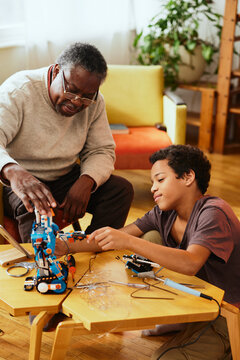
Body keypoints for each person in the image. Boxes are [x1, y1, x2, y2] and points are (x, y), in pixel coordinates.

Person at [57, 144, 239, 360]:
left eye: (160, 180)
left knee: (163, 358)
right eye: (153, 182)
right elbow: (113, 237)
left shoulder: (213, 212)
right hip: (196, 300)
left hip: (226, 311)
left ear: (188, 177)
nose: (153, 187)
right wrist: (66, 246)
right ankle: (178, 321)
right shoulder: (163, 214)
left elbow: (191, 263)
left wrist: (128, 241)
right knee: (149, 237)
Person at [0, 42, 133, 243]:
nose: (77, 101)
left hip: (64, 177)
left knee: (120, 190)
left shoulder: (96, 102)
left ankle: (91, 251)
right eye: (71, 90)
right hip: (21, 179)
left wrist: (87, 180)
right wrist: (12, 171)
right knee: (36, 207)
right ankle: (43, 267)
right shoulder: (19, 90)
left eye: (87, 96)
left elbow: (102, 150)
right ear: (55, 71)